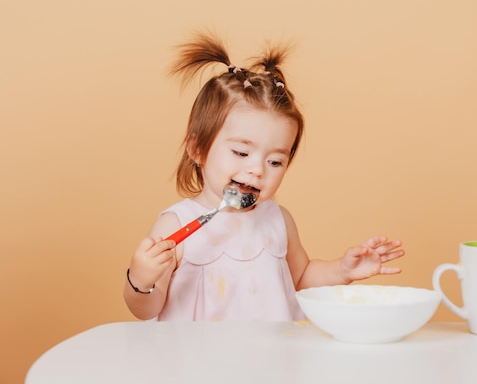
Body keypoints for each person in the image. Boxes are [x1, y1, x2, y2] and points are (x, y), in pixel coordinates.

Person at [124, 32, 405, 321]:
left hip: (274, 360)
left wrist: (342, 271)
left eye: (275, 161)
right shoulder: (176, 224)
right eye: (241, 153)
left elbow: (300, 279)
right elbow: (148, 310)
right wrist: (141, 281)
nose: (257, 170)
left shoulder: (277, 220)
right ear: (198, 149)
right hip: (198, 362)